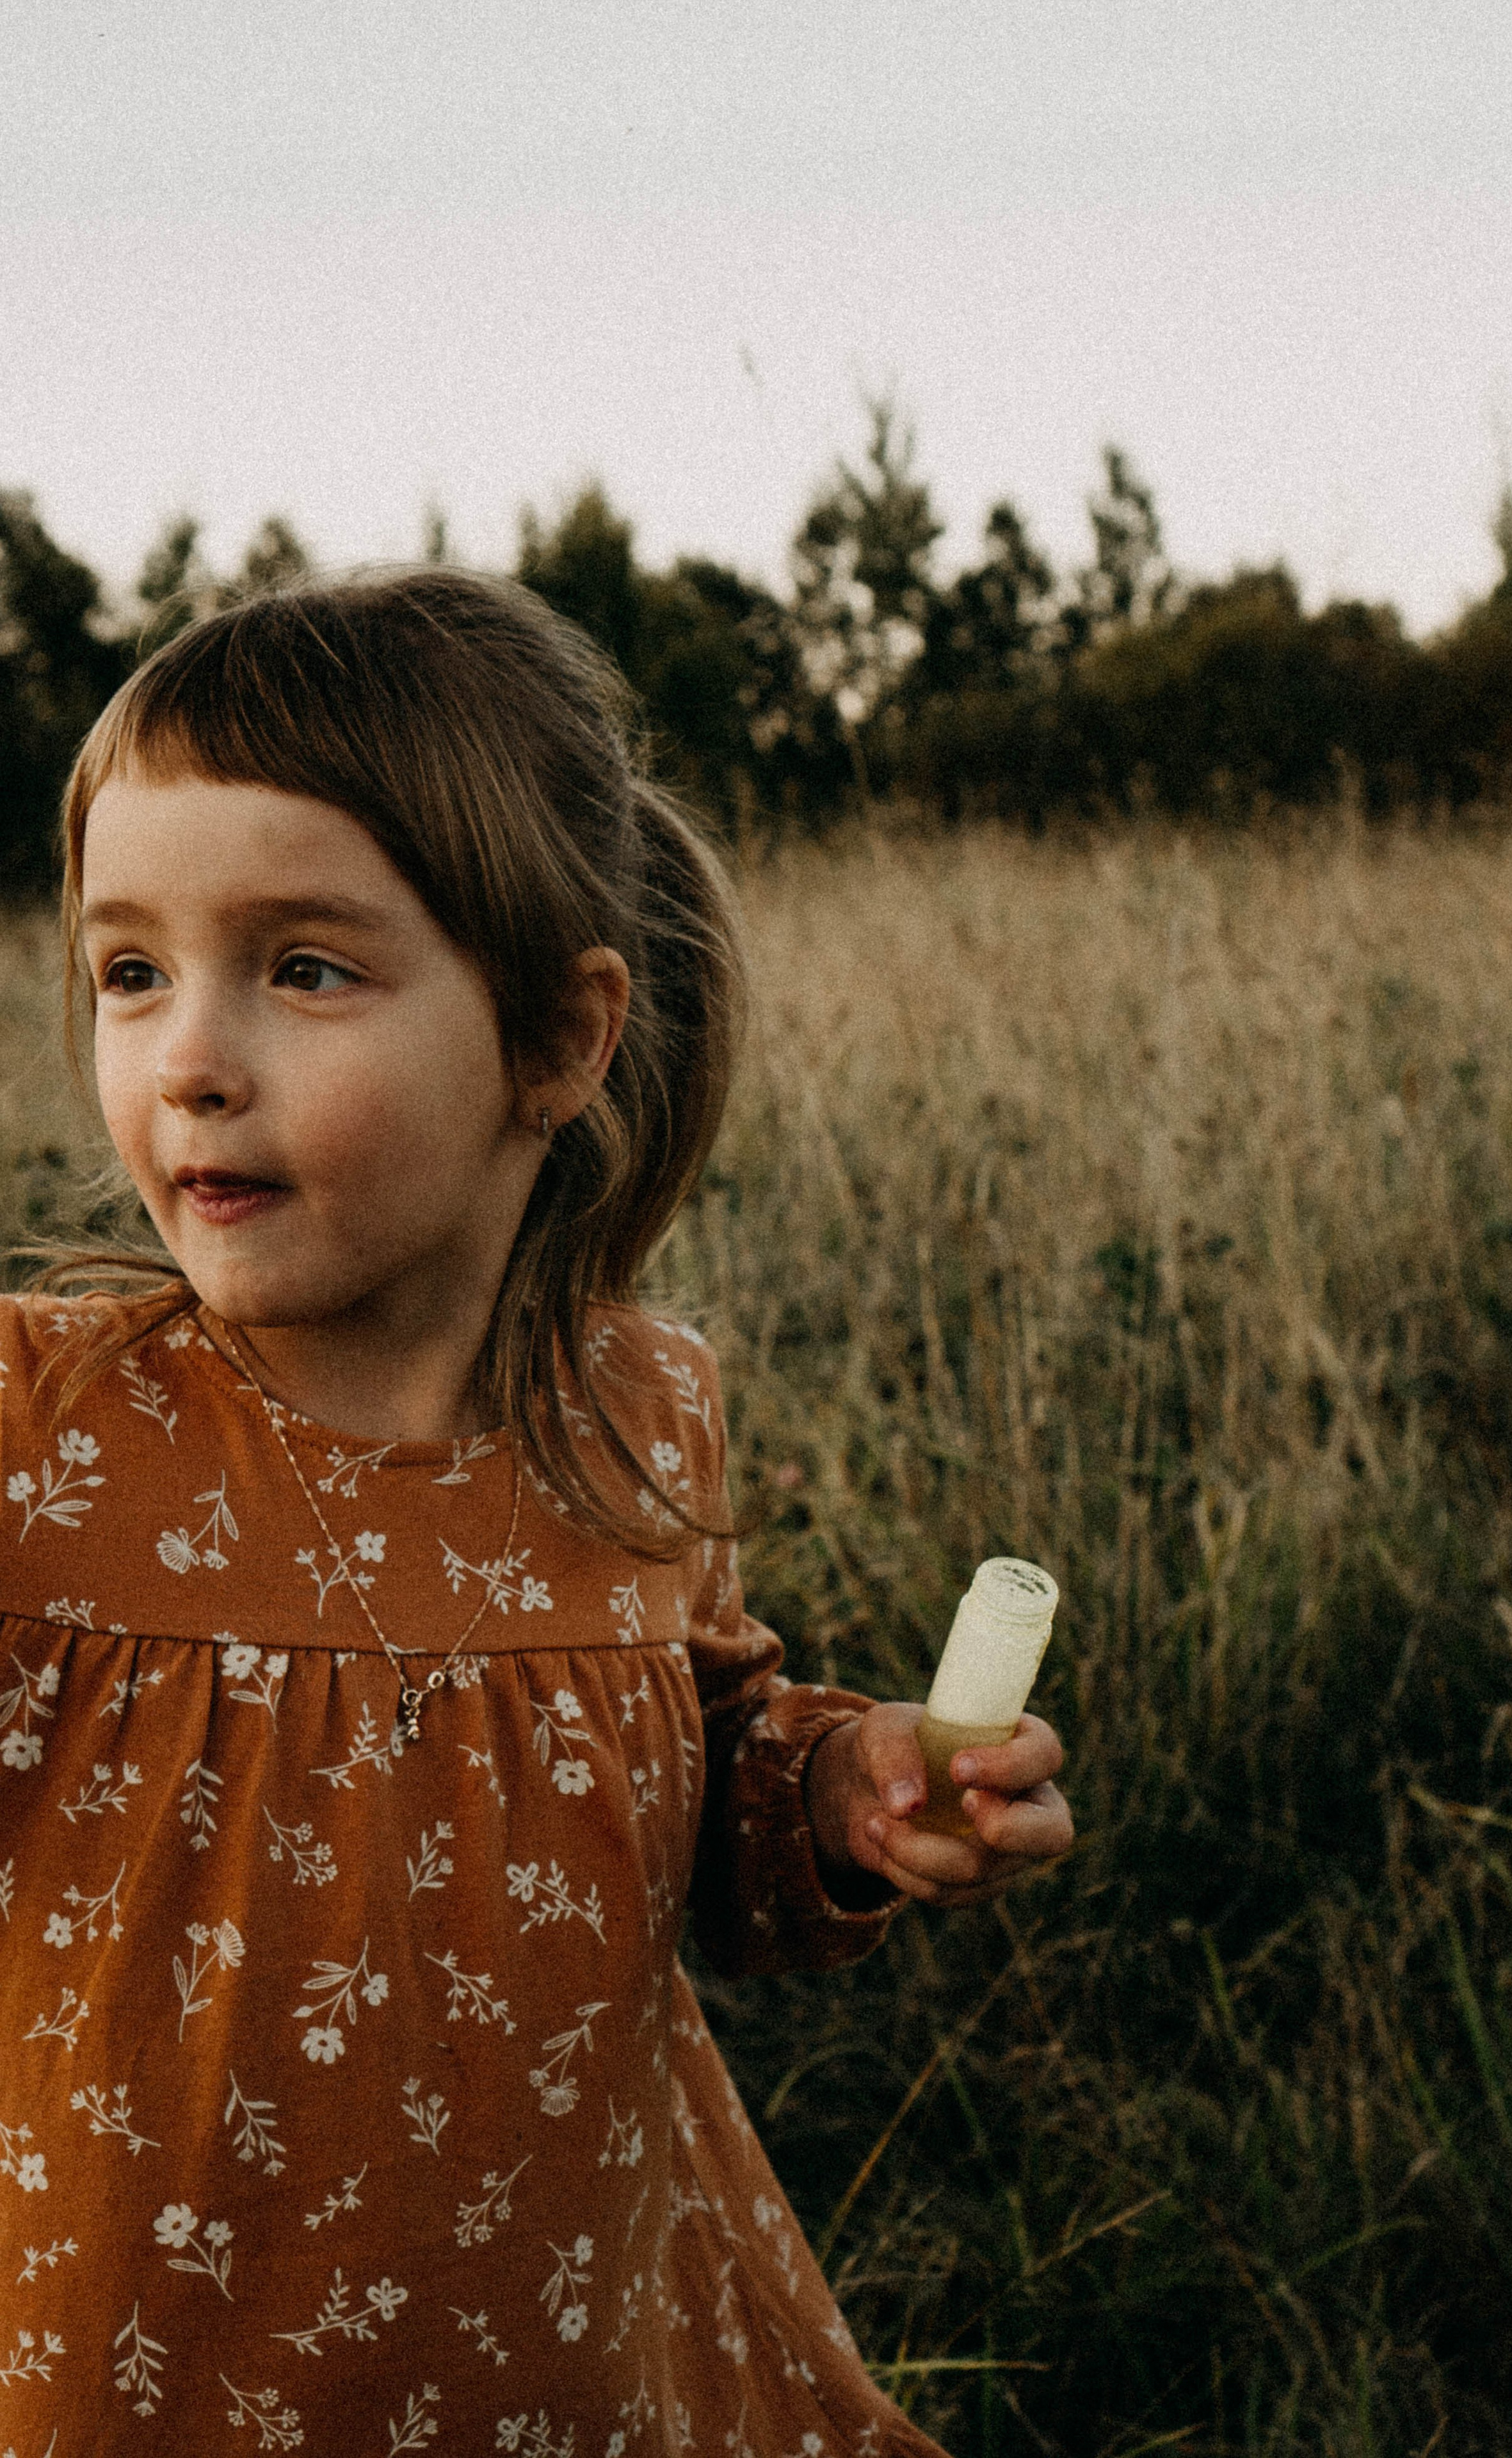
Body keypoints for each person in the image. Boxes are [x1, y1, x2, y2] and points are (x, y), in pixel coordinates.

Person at [0, 570, 1072, 2456]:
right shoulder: (39, 1433)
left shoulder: (636, 1415)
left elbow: (692, 1774)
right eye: (129, 970)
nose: (187, 1057)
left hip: (562, 2378)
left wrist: (835, 1793)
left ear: (559, 1044)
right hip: (132, 2383)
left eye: (305, 967)